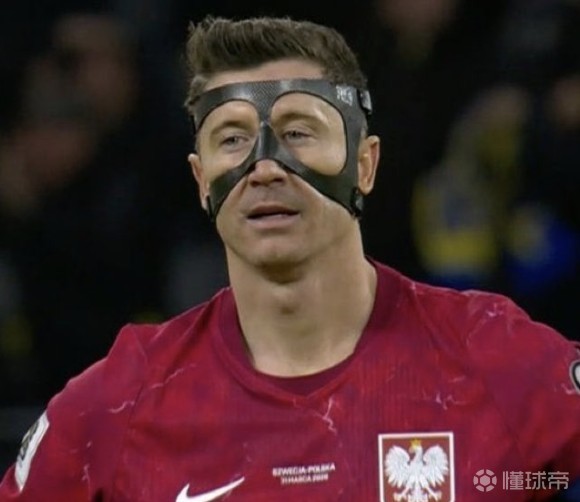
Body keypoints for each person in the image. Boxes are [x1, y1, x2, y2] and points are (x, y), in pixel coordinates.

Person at [0, 15, 579, 502]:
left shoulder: (490, 355)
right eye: (231, 138)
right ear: (201, 181)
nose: (265, 167)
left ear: (365, 165)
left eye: (299, 132)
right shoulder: (120, 405)